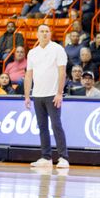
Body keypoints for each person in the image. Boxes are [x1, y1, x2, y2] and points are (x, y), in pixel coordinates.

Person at [23, 24, 69, 169]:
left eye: (47, 31)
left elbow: (62, 72)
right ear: (37, 34)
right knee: (42, 127)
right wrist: (27, 96)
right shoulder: (32, 52)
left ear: (50, 34)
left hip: (52, 95)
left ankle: (63, 157)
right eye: (42, 31)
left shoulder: (57, 49)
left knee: (56, 125)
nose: (44, 34)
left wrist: (59, 93)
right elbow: (28, 75)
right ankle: (46, 157)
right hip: (37, 95)